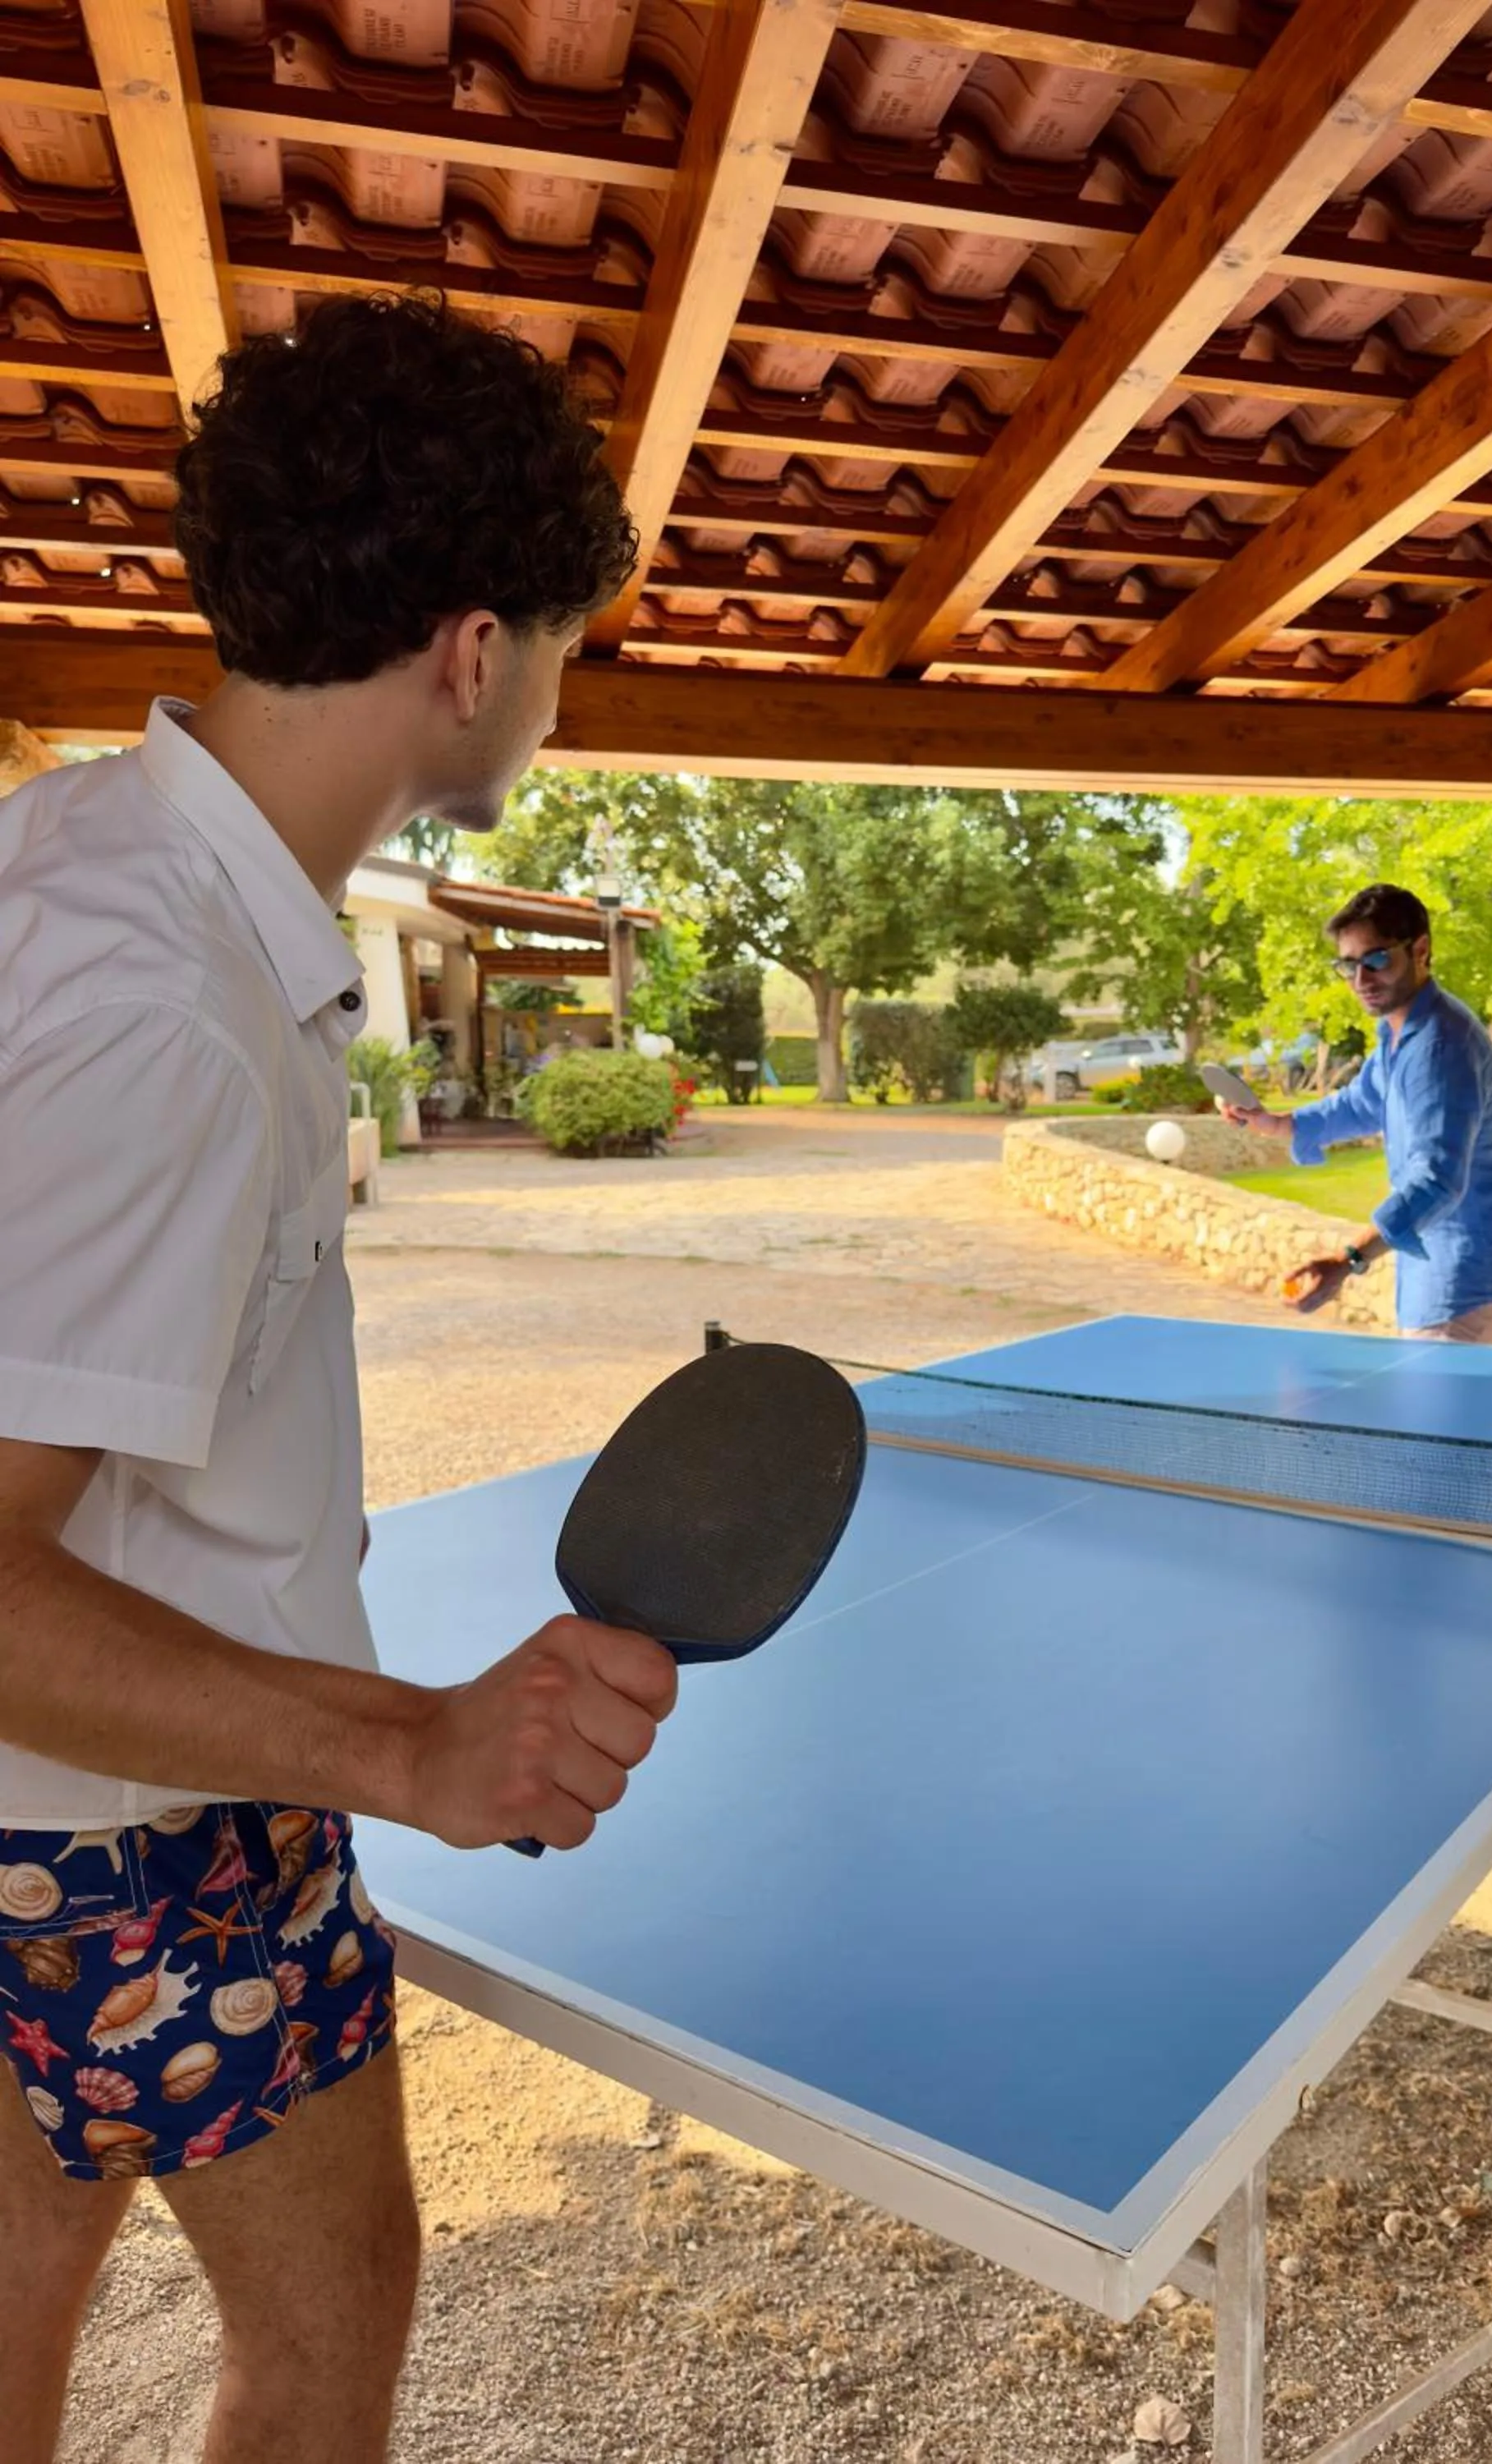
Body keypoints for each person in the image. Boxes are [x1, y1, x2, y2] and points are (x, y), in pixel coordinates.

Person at [0, 296, 675, 2464]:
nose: (556, 702)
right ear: (474, 653)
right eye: (562, 648)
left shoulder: (80, 869)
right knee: (329, 2320)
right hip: (138, 1848)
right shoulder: (166, 1002)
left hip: (42, 1844)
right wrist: (414, 1740)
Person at [1223, 883, 1492, 1342]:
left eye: (1375, 960)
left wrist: (1348, 1259)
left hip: (1465, 1279)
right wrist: (1277, 1123)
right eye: (1348, 965)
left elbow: (1436, 1182)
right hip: (1445, 1270)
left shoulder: (1439, 1047)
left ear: (1421, 950)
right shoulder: (1400, 1032)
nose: (1361, 980)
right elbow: (1363, 1101)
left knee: (1438, 1416)